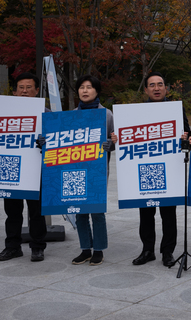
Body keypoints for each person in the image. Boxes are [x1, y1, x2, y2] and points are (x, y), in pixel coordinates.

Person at [0, 73, 48, 262]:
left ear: (37, 91)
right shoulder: (2, 111)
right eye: (21, 87)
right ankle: (12, 246)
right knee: (12, 211)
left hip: (35, 169)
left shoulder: (46, 113)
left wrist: (46, 142)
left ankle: (37, 247)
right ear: (14, 91)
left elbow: (57, 141)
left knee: (36, 211)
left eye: (29, 87)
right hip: (10, 167)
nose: (25, 91)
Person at [131, 72, 190, 267]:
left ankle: (167, 251)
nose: (156, 88)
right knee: (146, 213)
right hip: (147, 168)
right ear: (146, 89)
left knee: (168, 214)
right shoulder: (138, 111)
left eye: (160, 84)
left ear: (166, 88)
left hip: (169, 168)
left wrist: (186, 138)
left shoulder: (176, 109)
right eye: (152, 85)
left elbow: (188, 134)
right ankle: (148, 250)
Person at [71, 75, 117, 266]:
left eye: (89, 87)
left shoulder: (106, 114)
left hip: (97, 169)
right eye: (81, 87)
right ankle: (85, 249)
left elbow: (115, 140)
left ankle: (98, 249)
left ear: (97, 91)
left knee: (97, 211)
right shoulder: (72, 114)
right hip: (76, 168)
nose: (85, 90)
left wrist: (110, 144)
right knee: (79, 211)